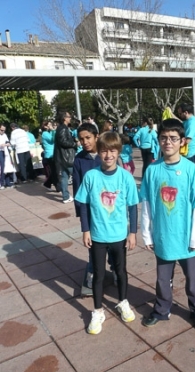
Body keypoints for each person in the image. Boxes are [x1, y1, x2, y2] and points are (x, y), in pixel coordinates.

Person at [140, 118, 195, 332]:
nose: (168, 142)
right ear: (158, 140)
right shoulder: (152, 170)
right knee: (162, 279)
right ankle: (162, 310)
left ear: (182, 141)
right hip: (163, 236)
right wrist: (147, 234)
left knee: (193, 280)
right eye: (163, 138)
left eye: (173, 138)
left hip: (187, 237)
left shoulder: (190, 170)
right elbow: (147, 205)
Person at [75, 131, 139, 334]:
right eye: (104, 151)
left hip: (119, 235)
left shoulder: (126, 177)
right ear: (98, 152)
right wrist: (85, 230)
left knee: (120, 272)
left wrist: (133, 233)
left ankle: (123, 301)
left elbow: (133, 206)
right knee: (99, 275)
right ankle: (97, 310)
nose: (108, 155)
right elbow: (83, 204)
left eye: (112, 151)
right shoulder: (91, 176)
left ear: (119, 152)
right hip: (97, 236)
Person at [73, 122, 100, 289]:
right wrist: (82, 217)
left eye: (88, 138)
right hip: (90, 211)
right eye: (81, 139)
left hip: (108, 209)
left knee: (114, 245)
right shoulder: (79, 160)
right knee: (93, 246)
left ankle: (116, 270)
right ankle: (93, 271)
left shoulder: (107, 155)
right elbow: (77, 189)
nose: (85, 142)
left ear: (96, 136)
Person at [53, 111, 79, 203]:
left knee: (64, 177)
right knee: (77, 174)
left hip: (62, 157)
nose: (70, 118)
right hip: (66, 157)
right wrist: (75, 144)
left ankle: (66, 196)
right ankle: (79, 195)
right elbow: (63, 142)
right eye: (69, 117)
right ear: (65, 118)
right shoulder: (63, 128)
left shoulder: (62, 128)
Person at [41, 120, 57, 190]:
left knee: (55, 170)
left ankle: (47, 184)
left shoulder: (50, 132)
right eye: (49, 125)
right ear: (45, 126)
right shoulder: (44, 133)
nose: (50, 126)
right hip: (49, 154)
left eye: (51, 124)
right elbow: (52, 140)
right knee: (54, 171)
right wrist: (53, 130)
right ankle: (57, 186)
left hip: (54, 153)